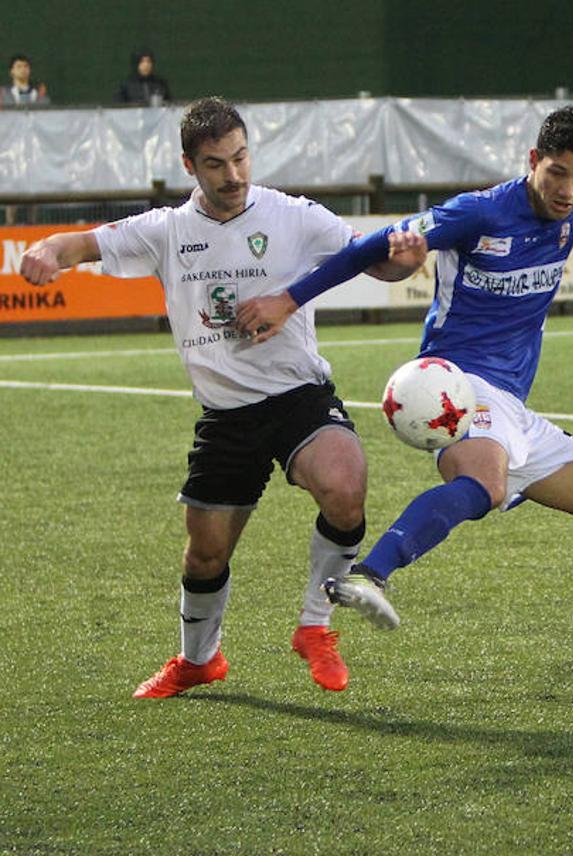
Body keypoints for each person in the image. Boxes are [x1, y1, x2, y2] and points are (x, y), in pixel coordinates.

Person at [233, 105, 573, 708]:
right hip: (461, 385)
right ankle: (370, 573)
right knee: (487, 484)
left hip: (512, 407)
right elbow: (366, 249)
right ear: (532, 161)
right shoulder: (477, 212)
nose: (568, 191)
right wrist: (290, 300)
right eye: (557, 174)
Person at [19, 96, 411, 699]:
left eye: (240, 157)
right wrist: (48, 250)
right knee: (204, 557)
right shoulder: (166, 231)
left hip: (298, 396)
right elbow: (81, 244)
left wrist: (403, 260)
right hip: (226, 417)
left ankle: (315, 626)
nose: (233, 175)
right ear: (189, 166)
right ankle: (199, 660)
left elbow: (373, 259)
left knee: (345, 483)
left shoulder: (292, 215)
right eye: (216, 164)